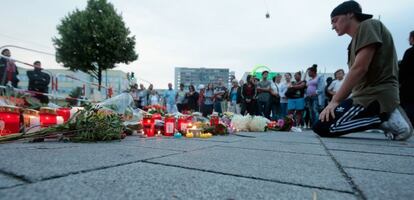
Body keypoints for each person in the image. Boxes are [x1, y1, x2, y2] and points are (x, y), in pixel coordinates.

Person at [314, 1, 413, 141]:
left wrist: (334, 101)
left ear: (350, 14)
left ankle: (384, 118)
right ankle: (383, 117)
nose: (332, 26)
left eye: (334, 20)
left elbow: (360, 68)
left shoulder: (369, 25)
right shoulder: (354, 41)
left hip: (375, 95)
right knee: (321, 122)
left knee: (323, 127)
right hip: (362, 96)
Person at [399, 31, 414, 125]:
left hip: (409, 87)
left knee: (408, 110)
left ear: (412, 38)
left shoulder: (410, 52)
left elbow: (403, 71)